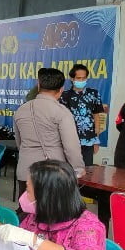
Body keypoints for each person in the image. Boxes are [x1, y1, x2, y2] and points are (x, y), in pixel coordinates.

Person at [14, 68, 84, 198]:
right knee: (52, 214)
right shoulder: (61, 112)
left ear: (39, 85)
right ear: (61, 89)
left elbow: (19, 142)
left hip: (25, 171)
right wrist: (78, 170)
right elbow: (71, 147)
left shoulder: (20, 110)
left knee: (26, 213)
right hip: (52, 174)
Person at [59, 64, 106, 166]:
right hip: (70, 140)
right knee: (69, 170)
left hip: (89, 140)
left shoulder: (94, 93)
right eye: (78, 78)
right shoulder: (64, 95)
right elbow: (61, 119)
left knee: (87, 170)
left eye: (84, 78)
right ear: (72, 79)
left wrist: (96, 140)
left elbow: (96, 116)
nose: (81, 80)